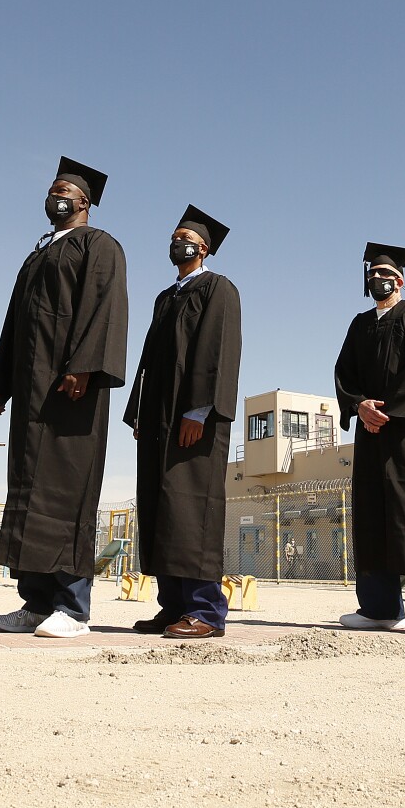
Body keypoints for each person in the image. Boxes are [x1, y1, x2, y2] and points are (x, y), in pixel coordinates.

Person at [0, 157, 130, 638]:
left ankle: (73, 606)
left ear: (84, 202)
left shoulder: (99, 245)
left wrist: (84, 366)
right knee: (29, 492)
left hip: (71, 391)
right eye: (52, 188)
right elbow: (14, 324)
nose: (55, 194)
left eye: (64, 189)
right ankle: (36, 603)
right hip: (32, 392)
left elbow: (106, 307)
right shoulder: (38, 253)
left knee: (65, 492)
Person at [123, 206, 242, 640]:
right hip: (158, 421)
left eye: (186, 237)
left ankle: (206, 611)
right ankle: (172, 606)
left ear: (203, 247)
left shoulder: (218, 289)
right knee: (163, 510)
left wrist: (198, 412)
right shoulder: (166, 296)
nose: (178, 242)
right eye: (174, 236)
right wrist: (139, 412)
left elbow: (218, 353)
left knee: (192, 511)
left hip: (195, 422)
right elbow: (150, 360)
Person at [334, 245, 405, 635]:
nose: (377, 279)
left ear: (399, 280)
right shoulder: (359, 323)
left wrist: (387, 411)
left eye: (385, 273)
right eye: (372, 274)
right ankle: (380, 608)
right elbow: (344, 372)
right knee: (371, 516)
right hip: (370, 436)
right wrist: (358, 406)